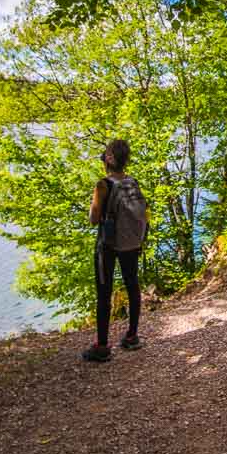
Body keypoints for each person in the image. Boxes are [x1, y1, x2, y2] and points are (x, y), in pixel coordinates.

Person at [82, 139, 148, 363]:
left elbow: (93, 219)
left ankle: (102, 347)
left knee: (104, 292)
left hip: (108, 244)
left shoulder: (103, 185)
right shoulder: (132, 182)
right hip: (131, 243)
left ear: (109, 160)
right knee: (132, 285)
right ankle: (132, 336)